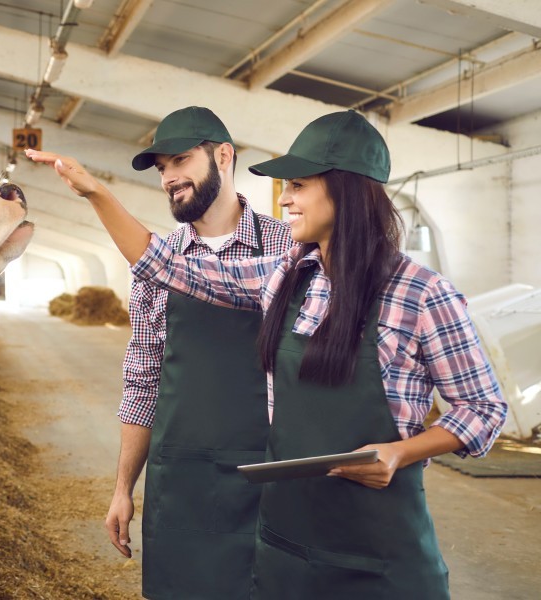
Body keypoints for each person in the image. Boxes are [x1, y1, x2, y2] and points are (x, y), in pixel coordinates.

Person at [28, 110, 507, 599]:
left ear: (346, 190)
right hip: (288, 537)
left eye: (297, 185)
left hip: (378, 545)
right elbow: (166, 267)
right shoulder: (287, 275)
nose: (284, 199)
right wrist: (96, 193)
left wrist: (400, 453)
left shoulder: (422, 294)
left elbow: (484, 409)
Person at [34, 106, 294, 600]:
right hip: (181, 479)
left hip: (266, 472)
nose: (169, 178)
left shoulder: (287, 247)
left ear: (223, 156)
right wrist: (122, 489)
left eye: (180, 161)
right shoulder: (153, 263)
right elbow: (143, 381)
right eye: (161, 169)